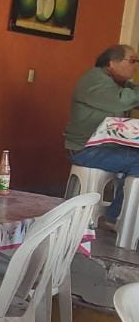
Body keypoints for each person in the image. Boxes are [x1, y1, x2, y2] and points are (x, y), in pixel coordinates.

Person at [64, 44, 139, 222]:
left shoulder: (118, 83)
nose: (135, 66)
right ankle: (119, 217)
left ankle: (125, 215)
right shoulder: (94, 80)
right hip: (86, 149)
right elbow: (120, 101)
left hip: (108, 148)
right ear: (112, 62)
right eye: (132, 61)